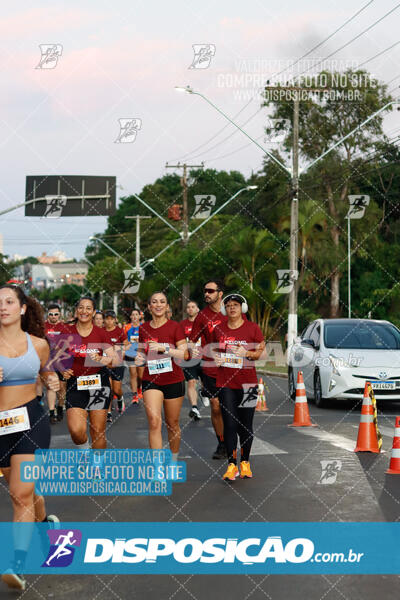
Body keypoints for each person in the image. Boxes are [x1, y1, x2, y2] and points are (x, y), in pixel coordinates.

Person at [0, 285, 60, 591]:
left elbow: (47, 375)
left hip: (29, 422)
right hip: (0, 427)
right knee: (21, 492)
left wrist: (52, 380)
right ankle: (44, 527)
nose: (3, 307)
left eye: (9, 301)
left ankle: (17, 564)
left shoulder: (38, 345)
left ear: (22, 309)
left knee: (19, 493)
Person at [213, 294, 265, 481]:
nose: (232, 308)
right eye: (228, 305)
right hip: (226, 383)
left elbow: (262, 352)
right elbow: (215, 351)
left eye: (235, 305)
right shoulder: (219, 329)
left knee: (245, 425)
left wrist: (247, 353)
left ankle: (245, 462)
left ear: (242, 308)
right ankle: (231, 464)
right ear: (224, 309)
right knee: (230, 424)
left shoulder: (253, 328)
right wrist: (217, 359)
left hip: (249, 383)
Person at [136, 292, 186, 460]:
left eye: (162, 302)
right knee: (154, 422)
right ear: (149, 307)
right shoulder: (143, 328)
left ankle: (173, 461)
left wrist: (164, 348)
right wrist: (139, 357)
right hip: (151, 380)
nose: (158, 305)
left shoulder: (175, 327)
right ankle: (157, 468)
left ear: (167, 307)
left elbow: (184, 354)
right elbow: (142, 352)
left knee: (172, 424)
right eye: (154, 302)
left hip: (173, 379)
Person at [61, 297, 115, 450]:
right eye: (81, 307)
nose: (84, 311)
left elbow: (114, 360)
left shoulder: (101, 334)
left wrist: (101, 359)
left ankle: (97, 468)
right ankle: (85, 452)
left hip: (98, 383)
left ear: (93, 312)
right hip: (76, 384)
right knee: (76, 431)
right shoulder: (67, 332)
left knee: (97, 431)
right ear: (76, 310)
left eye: (88, 308)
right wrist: (63, 369)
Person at [189, 279, 227, 459]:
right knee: (215, 405)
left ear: (220, 293)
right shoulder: (202, 316)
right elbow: (191, 340)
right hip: (210, 367)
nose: (207, 294)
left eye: (211, 291)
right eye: (205, 290)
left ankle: (234, 440)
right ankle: (222, 443)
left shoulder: (232, 311)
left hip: (232, 367)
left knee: (231, 408)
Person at [44, 303, 67, 424]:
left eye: (56, 314)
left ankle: (60, 407)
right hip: (48, 361)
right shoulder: (43, 326)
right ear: (48, 315)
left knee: (62, 387)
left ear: (59, 315)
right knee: (51, 385)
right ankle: (52, 413)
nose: (53, 316)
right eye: (51, 314)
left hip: (62, 360)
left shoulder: (63, 327)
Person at [103, 310, 128, 420]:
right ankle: (108, 413)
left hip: (118, 364)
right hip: (105, 364)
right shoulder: (101, 331)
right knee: (108, 388)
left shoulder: (119, 331)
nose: (109, 321)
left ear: (114, 320)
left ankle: (120, 398)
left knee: (116, 390)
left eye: (111, 319)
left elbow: (127, 344)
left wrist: (121, 353)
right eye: (107, 319)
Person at [180, 300, 202, 421]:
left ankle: (204, 392)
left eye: (193, 307)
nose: (190, 309)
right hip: (189, 359)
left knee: (207, 386)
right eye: (188, 307)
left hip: (205, 358)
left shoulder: (204, 323)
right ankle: (194, 407)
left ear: (198, 309)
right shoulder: (182, 325)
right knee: (191, 382)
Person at [124, 308, 142, 403]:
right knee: (133, 374)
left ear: (139, 316)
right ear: (130, 316)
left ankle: (139, 388)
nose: (134, 316)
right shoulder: (127, 327)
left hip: (141, 354)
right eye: (133, 315)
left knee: (141, 376)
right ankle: (135, 396)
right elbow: (124, 340)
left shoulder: (143, 327)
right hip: (130, 354)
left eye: (136, 314)